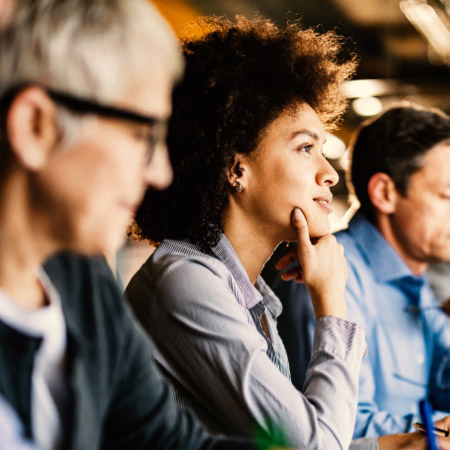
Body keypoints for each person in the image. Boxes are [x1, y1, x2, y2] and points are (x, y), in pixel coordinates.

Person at [0, 1, 264, 449]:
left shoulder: (82, 283)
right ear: (35, 126)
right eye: (144, 136)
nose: (160, 172)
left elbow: (168, 441)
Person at [125, 14, 372, 450]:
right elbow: (309, 447)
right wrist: (332, 302)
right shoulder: (186, 280)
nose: (329, 174)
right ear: (237, 168)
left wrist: (385, 446)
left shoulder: (245, 291)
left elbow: (282, 437)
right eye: (305, 148)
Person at [270, 104, 450, 439]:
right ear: (385, 193)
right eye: (447, 195)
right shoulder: (324, 276)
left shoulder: (417, 284)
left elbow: (441, 389)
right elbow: (342, 430)